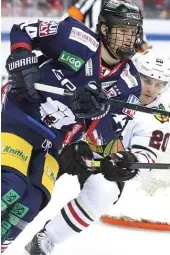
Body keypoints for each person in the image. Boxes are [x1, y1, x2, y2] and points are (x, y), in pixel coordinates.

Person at [1, 0, 143, 252]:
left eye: (132, 33)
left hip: (54, 142)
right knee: (10, 185)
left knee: (32, 200)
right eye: (122, 30)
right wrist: (21, 56)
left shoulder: (129, 84)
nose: (127, 38)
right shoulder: (75, 37)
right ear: (104, 30)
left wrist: (96, 113)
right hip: (18, 116)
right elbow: (23, 30)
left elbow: (105, 132)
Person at [22, 51, 170, 255]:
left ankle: (47, 238)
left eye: (159, 84)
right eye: (147, 79)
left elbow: (146, 156)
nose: (152, 90)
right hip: (67, 140)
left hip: (101, 162)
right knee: (25, 182)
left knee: (105, 191)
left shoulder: (159, 117)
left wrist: (129, 162)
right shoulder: (115, 80)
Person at [62, 0, 150, 52]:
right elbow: (68, 20)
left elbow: (136, 34)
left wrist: (143, 44)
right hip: (85, 50)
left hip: (113, 57)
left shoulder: (129, 6)